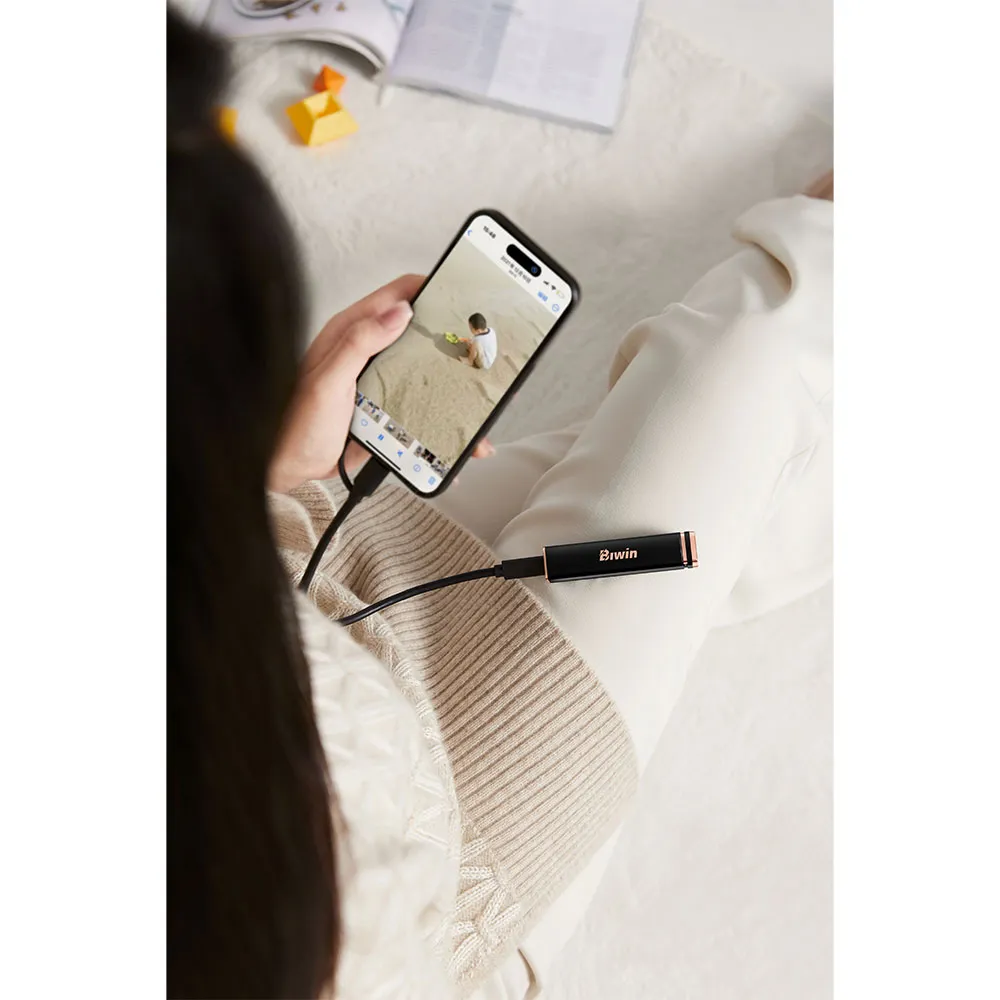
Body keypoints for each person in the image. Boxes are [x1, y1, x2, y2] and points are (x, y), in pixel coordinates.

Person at [168, 10, 832, 999]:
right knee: (744, 358)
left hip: (295, 583)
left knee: (678, 477)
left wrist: (273, 484)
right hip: (428, 859)